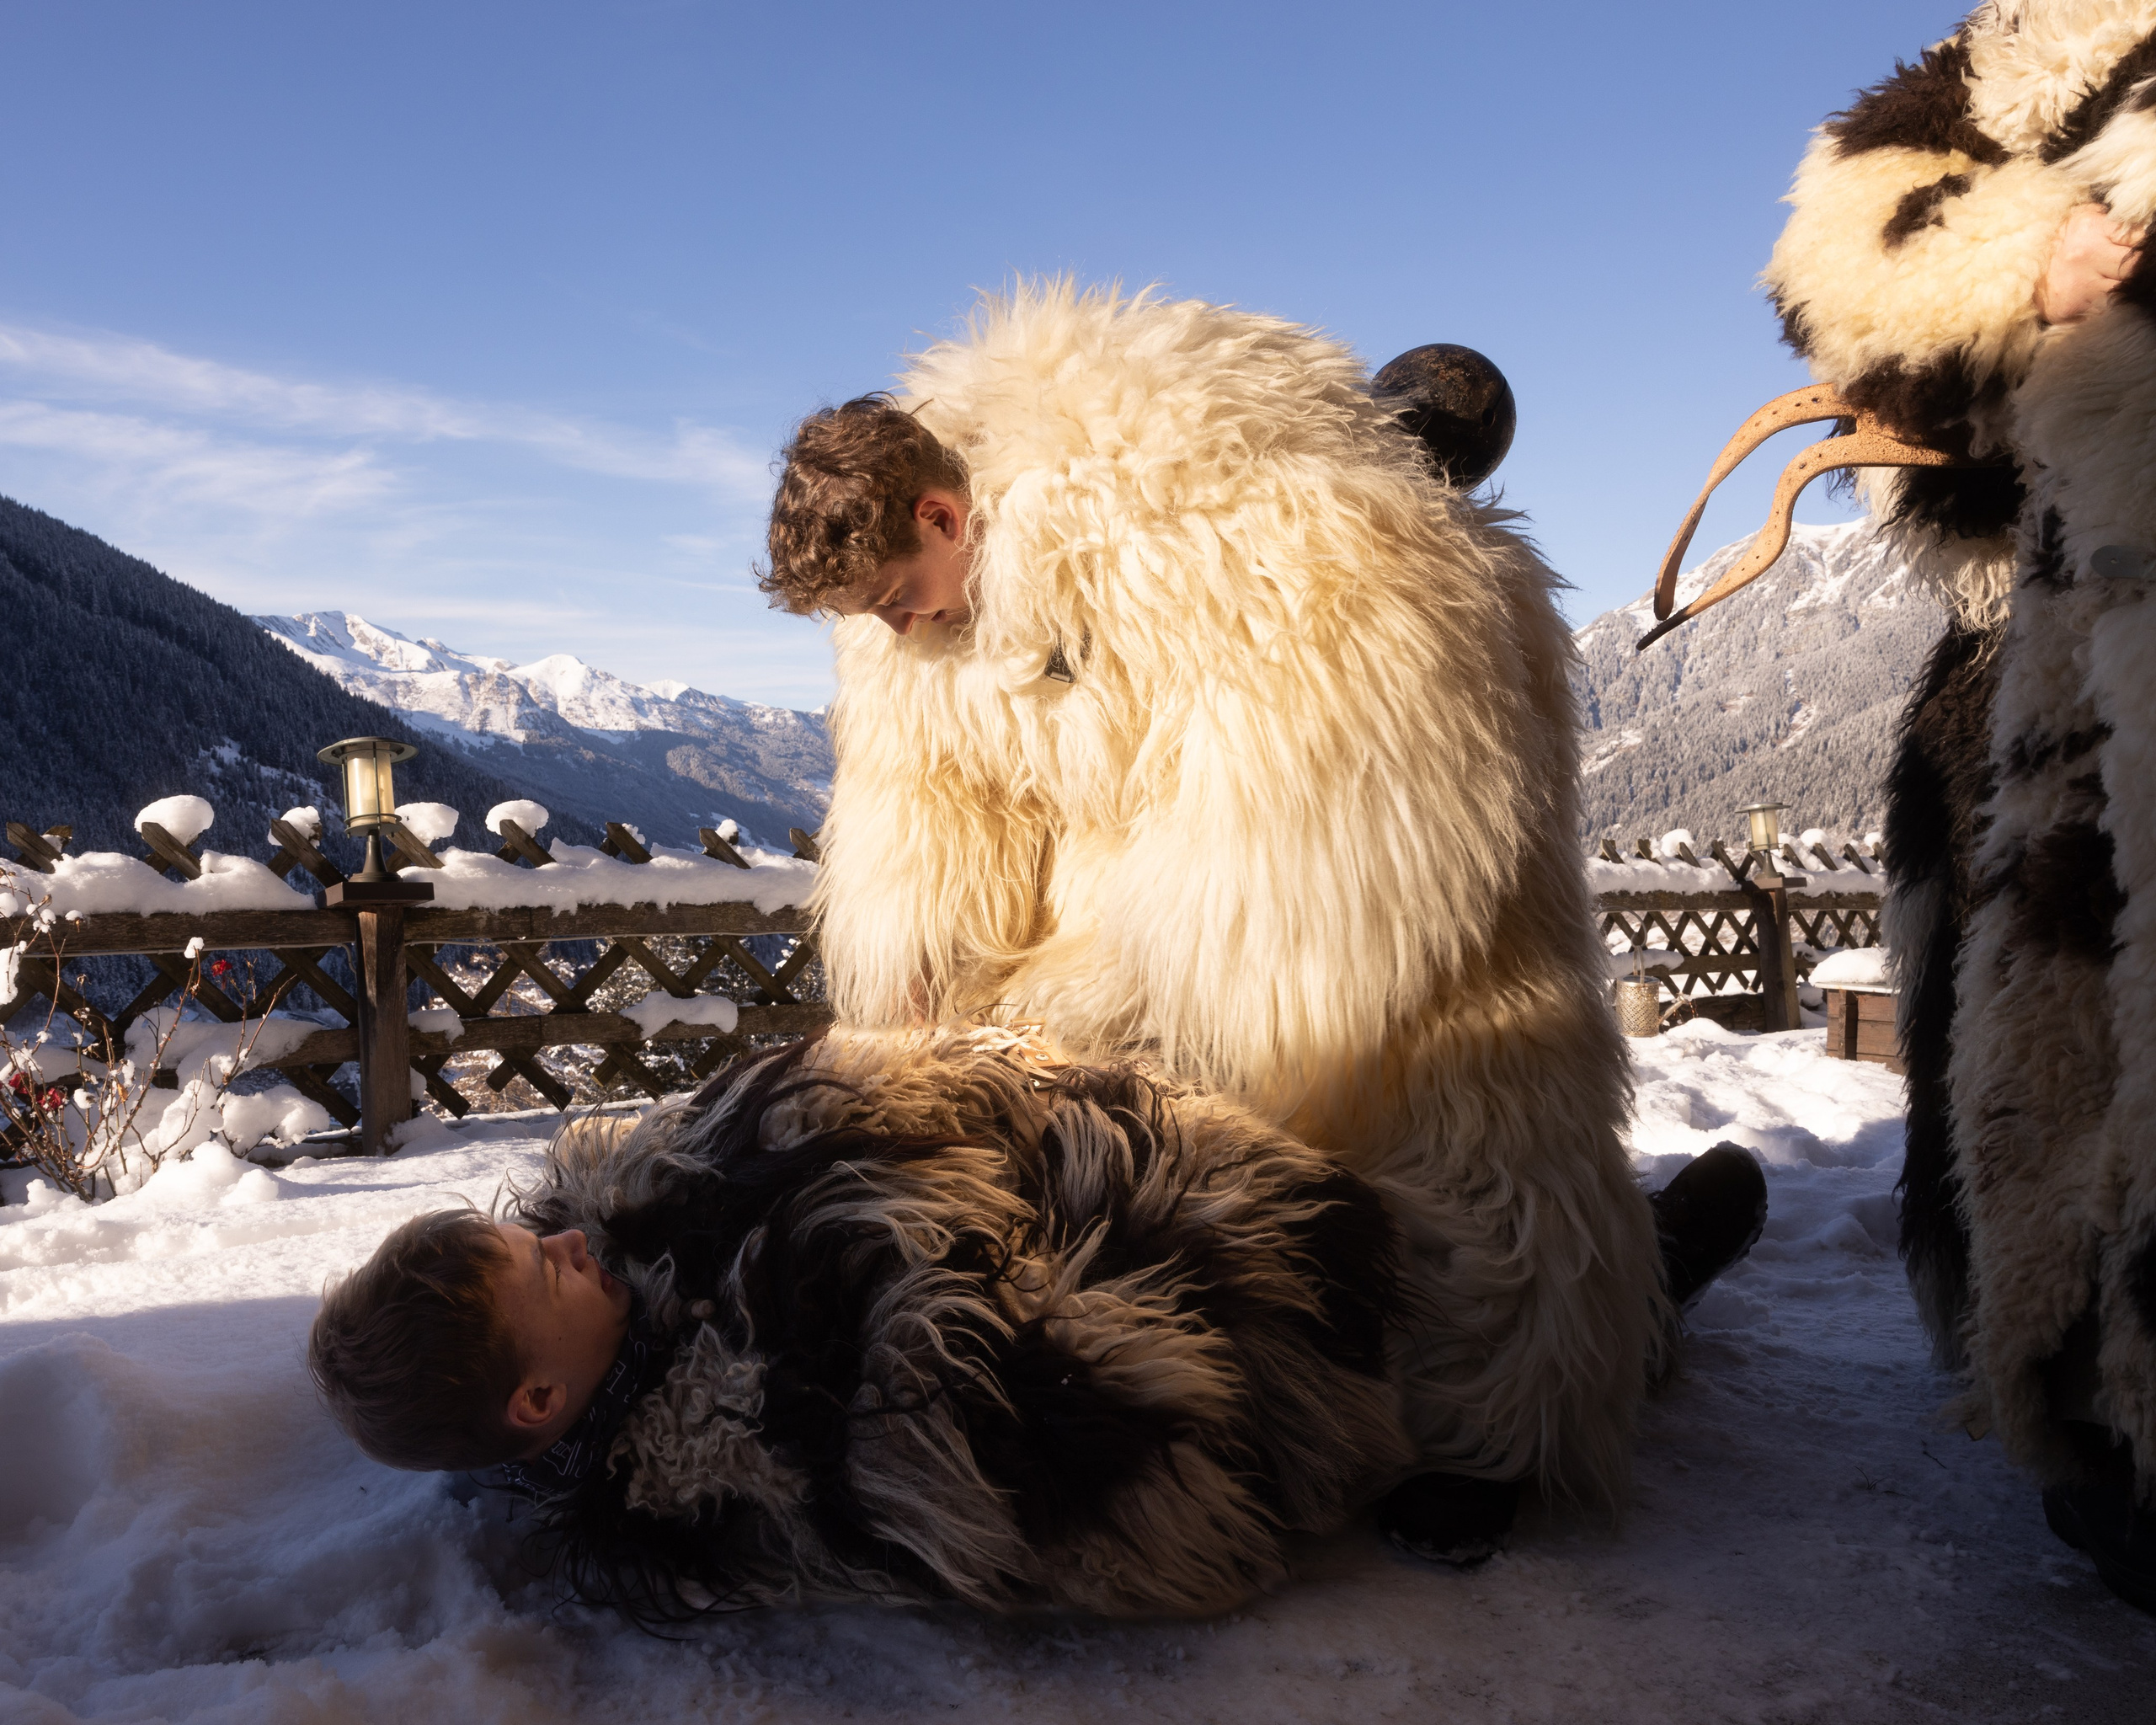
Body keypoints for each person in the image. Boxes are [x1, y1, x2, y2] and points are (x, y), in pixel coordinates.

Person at [760, 283, 1767, 1558]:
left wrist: (1085, 987)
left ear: (944, 513)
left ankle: (1526, 1400)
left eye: (899, 595)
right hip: (1134, 937)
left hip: (1401, 957)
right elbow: (937, 801)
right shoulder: (924, 624)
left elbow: (1326, 843)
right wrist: (933, 972)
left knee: (1471, 1165)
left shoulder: (1266, 545)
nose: (898, 630)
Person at [309, 1028, 1767, 1618]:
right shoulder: (774, 1445)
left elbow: (826, 1119)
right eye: (539, 1270)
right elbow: (1092, 1481)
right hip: (1261, 1329)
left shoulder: (648, 1230)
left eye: (532, 1232)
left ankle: (1620, 1254)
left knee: (1440, 1217)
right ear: (537, 1408)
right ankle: (1647, 1280)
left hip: (1169, 1186)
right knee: (1484, 1331)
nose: (564, 1240)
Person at [1732, 0, 2156, 1612]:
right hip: (2032, 636)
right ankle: (2074, 1398)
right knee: (2039, 1035)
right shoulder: (1971, 83)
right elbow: (1829, 275)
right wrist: (2032, 258)